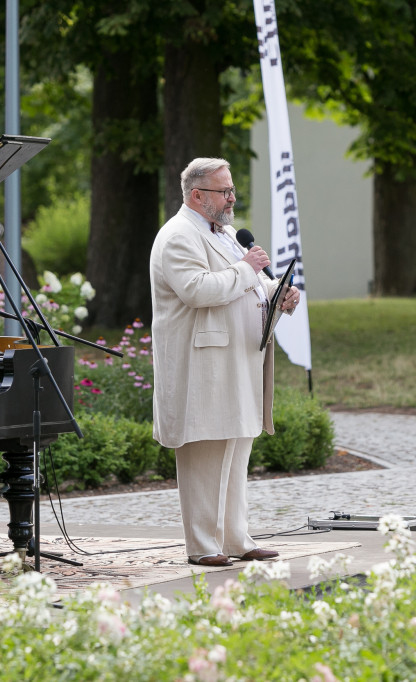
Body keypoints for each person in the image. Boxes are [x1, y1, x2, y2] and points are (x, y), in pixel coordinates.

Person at [149, 157, 301, 567]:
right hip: (203, 364)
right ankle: (202, 545)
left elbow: (254, 282)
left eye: (232, 189)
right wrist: (248, 269)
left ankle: (236, 538)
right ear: (197, 195)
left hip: (238, 359)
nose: (232, 198)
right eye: (224, 191)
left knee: (236, 448)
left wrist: (280, 294)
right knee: (206, 448)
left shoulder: (227, 233)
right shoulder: (178, 236)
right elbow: (198, 290)